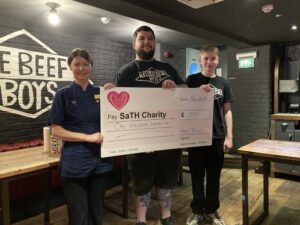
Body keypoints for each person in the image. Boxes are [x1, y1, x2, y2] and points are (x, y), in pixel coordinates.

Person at [113, 25, 185, 225]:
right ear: (134, 43)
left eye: (150, 39)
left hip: (167, 140)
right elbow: (118, 109)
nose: (146, 42)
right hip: (140, 143)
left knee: (166, 182)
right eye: (142, 38)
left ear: (154, 42)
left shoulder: (168, 69)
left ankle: (166, 216)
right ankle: (141, 220)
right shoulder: (126, 72)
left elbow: (186, 90)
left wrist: (176, 87)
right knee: (141, 185)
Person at [48, 48, 113, 225]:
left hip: (101, 161)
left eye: (85, 64)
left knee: (97, 211)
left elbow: (117, 118)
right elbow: (56, 130)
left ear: (91, 66)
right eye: (77, 64)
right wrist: (87, 137)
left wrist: (113, 94)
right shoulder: (63, 94)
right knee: (79, 215)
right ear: (70, 66)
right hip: (74, 162)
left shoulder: (101, 92)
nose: (82, 68)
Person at [185, 45, 234, 225]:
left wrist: (229, 136)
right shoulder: (192, 80)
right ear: (200, 60)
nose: (209, 62)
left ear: (217, 60)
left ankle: (212, 210)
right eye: (206, 58)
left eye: (213, 58)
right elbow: (181, 105)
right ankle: (198, 211)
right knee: (197, 176)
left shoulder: (224, 83)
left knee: (214, 176)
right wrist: (197, 93)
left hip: (217, 136)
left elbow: (227, 110)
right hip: (196, 136)